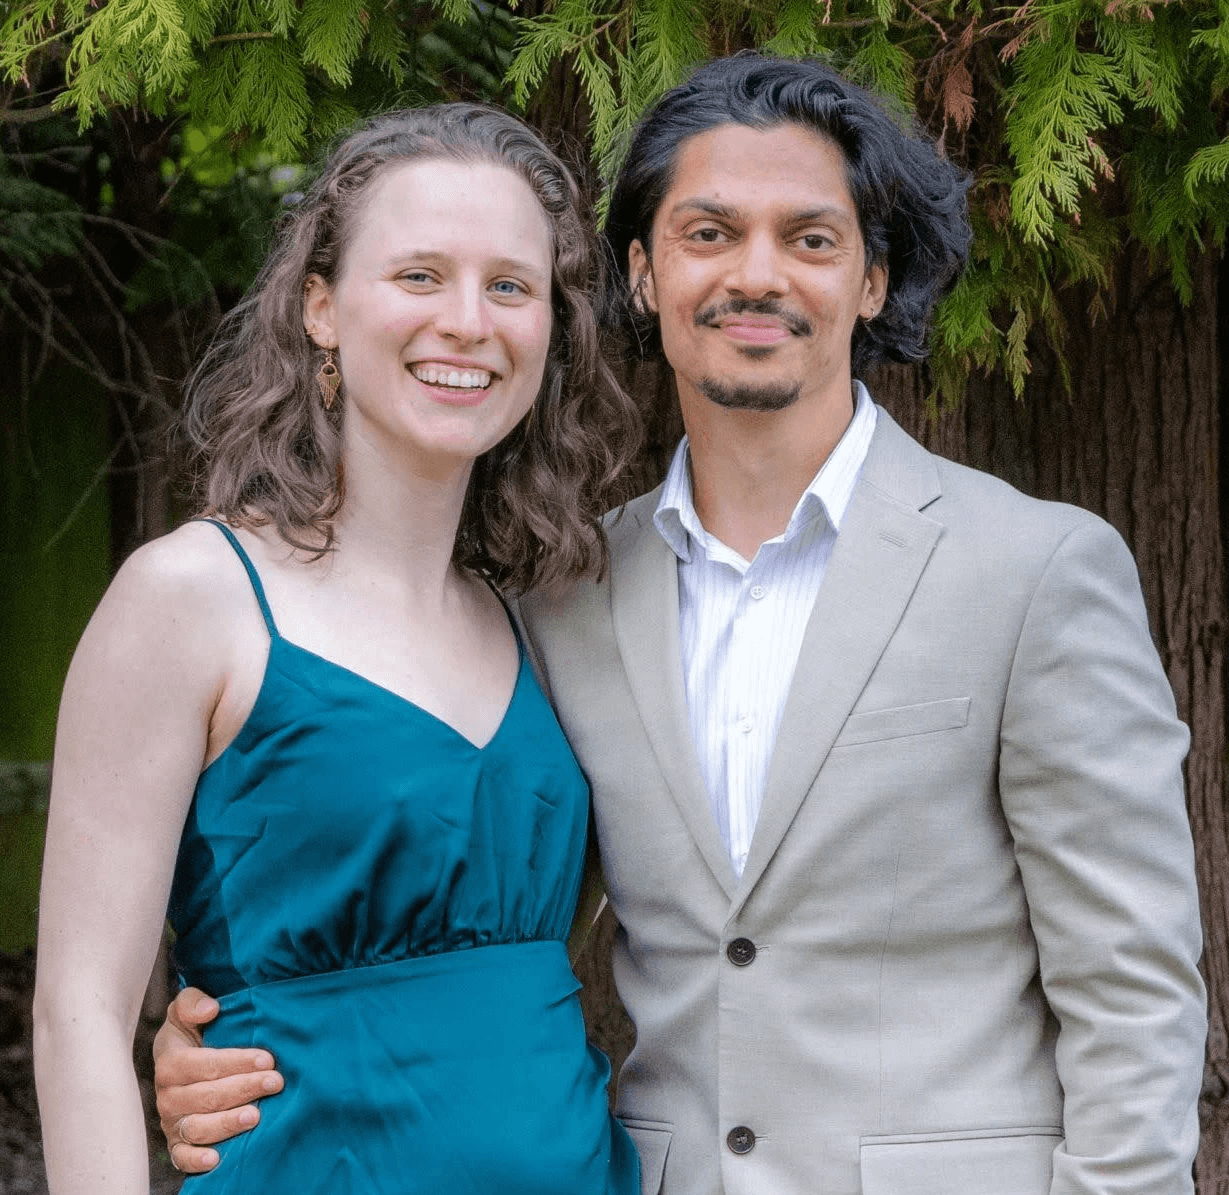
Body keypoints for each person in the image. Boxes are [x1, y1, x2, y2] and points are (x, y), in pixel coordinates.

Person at [151, 55, 1207, 1195]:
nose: (757, 275)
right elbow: (468, 918)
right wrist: (222, 1038)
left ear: (869, 280)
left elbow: (1132, 990)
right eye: (708, 233)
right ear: (645, 275)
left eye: (809, 239)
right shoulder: (562, 596)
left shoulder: (1034, 569)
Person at [32, 102, 643, 1195]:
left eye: (509, 286)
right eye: (418, 276)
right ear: (320, 307)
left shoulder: (540, 620)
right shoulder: (190, 598)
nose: (468, 320)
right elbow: (79, 1008)